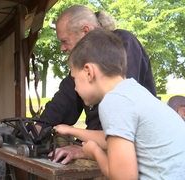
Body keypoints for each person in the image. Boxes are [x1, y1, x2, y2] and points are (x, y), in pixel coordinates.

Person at [55, 28, 185, 179]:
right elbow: (114, 137)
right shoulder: (133, 92)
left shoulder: (113, 102)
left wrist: (95, 152)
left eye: (75, 78)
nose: (75, 88)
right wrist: (72, 131)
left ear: (89, 72)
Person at [35, 5, 157, 164]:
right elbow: (66, 98)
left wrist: (86, 150)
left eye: (65, 41)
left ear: (85, 31)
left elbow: (123, 129)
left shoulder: (122, 44)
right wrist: (39, 126)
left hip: (137, 156)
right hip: (107, 142)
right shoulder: (85, 62)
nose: (62, 48)